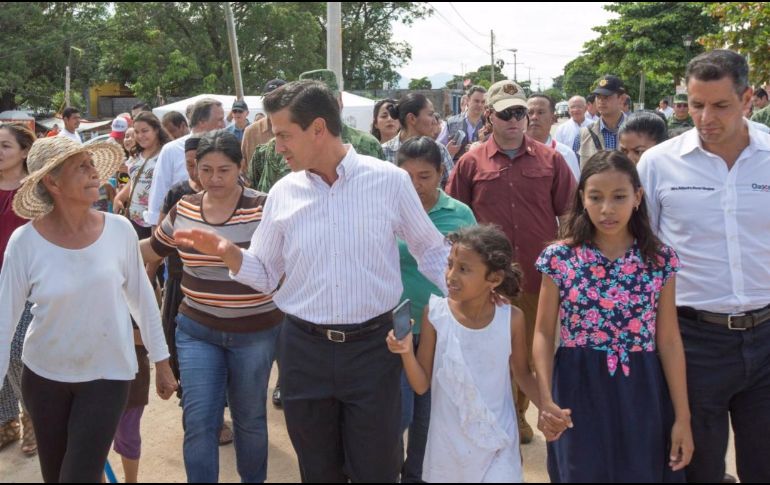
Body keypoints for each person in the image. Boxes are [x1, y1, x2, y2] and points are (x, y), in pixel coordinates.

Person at [174, 80, 449, 482]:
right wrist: (230, 255)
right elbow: (266, 274)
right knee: (318, 471)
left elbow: (430, 250)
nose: (277, 147)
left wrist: (473, 301)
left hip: (376, 351)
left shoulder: (388, 181)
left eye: (284, 135)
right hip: (303, 353)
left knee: (378, 468)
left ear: (318, 128)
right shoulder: (283, 193)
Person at [0, 136, 176, 482]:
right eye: (82, 167)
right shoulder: (25, 242)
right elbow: (4, 320)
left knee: (78, 476)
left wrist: (162, 362)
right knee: (56, 475)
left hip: (108, 375)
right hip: (45, 376)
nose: (95, 174)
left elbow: (141, 299)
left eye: (93, 164)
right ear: (52, 182)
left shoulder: (119, 231)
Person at [638, 49, 770, 483]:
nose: (705, 117)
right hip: (692, 343)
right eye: (696, 105)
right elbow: (643, 252)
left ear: (748, 99)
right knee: (698, 470)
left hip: (768, 338)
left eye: (720, 105)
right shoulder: (658, 164)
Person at [533, 150, 693, 482]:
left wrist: (683, 417)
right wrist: (545, 398)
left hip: (642, 388)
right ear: (582, 199)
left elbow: (669, 339)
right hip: (577, 387)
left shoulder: (660, 260)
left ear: (637, 197)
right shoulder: (559, 257)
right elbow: (544, 333)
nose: (607, 209)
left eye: (619, 197)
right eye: (596, 197)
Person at [141, 130, 280, 482]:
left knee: (250, 421)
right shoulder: (184, 207)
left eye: (223, 170)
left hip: (255, 334)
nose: (214, 179)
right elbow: (153, 249)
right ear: (195, 169)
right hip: (196, 331)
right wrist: (99, 244)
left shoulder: (264, 207)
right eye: (205, 170)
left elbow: (281, 267)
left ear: (241, 167)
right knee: (199, 421)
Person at [447, 79, 577, 444]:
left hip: (538, 277)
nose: (515, 120)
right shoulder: (470, 163)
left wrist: (568, 264)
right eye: (506, 114)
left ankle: (518, 414)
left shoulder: (551, 160)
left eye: (520, 112)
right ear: (489, 115)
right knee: (490, 349)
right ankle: (497, 413)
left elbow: (569, 214)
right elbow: (456, 217)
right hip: (488, 280)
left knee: (532, 352)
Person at [388, 224, 569, 482]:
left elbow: (522, 374)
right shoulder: (435, 314)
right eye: (450, 264)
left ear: (493, 279)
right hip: (448, 448)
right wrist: (406, 351)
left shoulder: (511, 318)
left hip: (498, 441)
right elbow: (420, 385)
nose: (451, 275)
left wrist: (546, 406)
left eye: (464, 269)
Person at [394, 137, 477, 482]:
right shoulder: (387, 210)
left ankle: (417, 476)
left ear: (442, 173)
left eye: (425, 176)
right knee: (396, 413)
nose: (416, 185)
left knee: (428, 414)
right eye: (407, 176)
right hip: (395, 329)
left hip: (442, 329)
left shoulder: (460, 214)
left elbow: (473, 270)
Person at [249, 70, 385, 193]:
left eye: (329, 100)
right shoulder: (275, 153)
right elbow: (265, 196)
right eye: (312, 104)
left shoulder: (369, 146)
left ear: (340, 100)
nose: (323, 107)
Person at [0, 124, 37, 456]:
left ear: (25, 151)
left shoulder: (37, 189)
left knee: (14, 352)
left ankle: (34, 419)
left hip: (29, 286)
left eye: (5, 146)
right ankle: (6, 421)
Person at [146, 98, 226, 228]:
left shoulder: (225, 149)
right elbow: (159, 192)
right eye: (219, 120)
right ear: (202, 122)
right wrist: (156, 234)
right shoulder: (171, 150)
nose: (223, 125)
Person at [382, 93, 455, 187]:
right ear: (412, 118)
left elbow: (451, 188)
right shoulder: (383, 153)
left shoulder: (439, 150)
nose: (434, 121)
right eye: (430, 114)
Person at [574, 75, 628, 165]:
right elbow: (574, 171)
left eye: (606, 97)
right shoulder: (583, 135)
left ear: (621, 98)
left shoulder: (637, 131)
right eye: (598, 97)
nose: (601, 101)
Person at [527, 94, 581, 180]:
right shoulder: (512, 151)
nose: (534, 117)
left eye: (540, 112)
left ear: (553, 118)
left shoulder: (565, 154)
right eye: (530, 113)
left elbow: (573, 191)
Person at [241, 78, 286, 165]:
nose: (272, 103)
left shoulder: (300, 129)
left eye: (278, 98)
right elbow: (243, 169)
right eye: (268, 98)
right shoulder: (251, 132)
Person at [439, 85, 487, 161]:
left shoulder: (489, 124)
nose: (480, 105)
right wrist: (447, 150)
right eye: (476, 101)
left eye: (483, 102)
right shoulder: (451, 123)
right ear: (468, 100)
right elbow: (438, 148)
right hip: (457, 170)